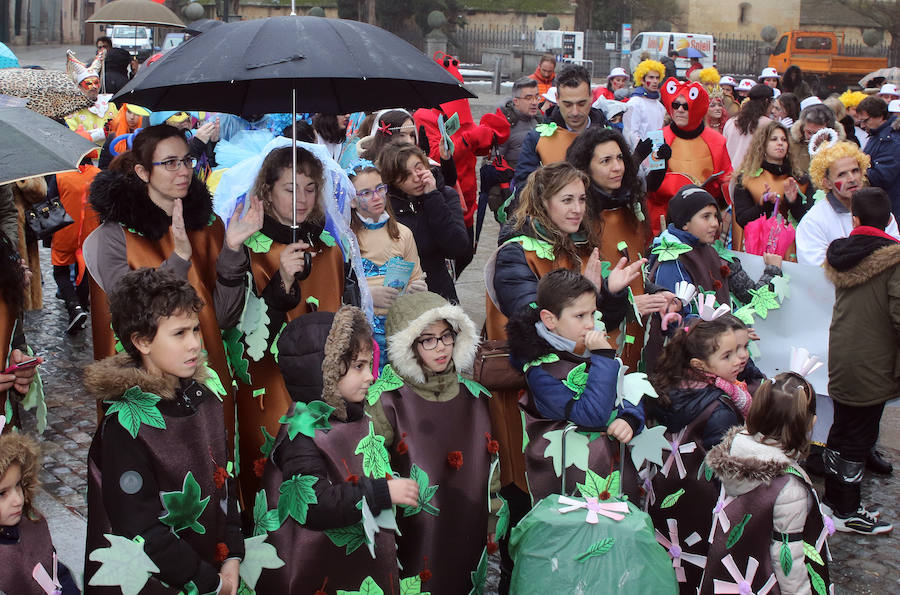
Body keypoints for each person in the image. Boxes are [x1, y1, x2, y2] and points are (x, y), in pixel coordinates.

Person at [485, 162, 644, 536]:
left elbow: (592, 320)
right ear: (543, 202)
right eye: (567, 200)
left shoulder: (577, 246)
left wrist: (609, 294)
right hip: (533, 395)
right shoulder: (516, 253)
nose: (577, 209)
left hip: (583, 389)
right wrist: (590, 298)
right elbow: (532, 324)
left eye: (582, 200)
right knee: (529, 487)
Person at [83, 268, 244, 594]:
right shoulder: (125, 426)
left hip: (214, 568)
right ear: (142, 341)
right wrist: (208, 582)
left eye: (196, 330)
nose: (195, 344)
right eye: (179, 333)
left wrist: (232, 554)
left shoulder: (205, 398)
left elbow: (224, 482)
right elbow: (139, 526)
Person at [83, 124, 244, 444]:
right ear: (143, 172)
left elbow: (224, 318)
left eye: (186, 160)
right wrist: (180, 258)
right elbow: (132, 315)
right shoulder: (113, 237)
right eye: (169, 163)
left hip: (210, 380)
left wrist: (232, 251)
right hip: (149, 394)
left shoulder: (208, 224)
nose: (183, 171)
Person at [255, 306, 418, 592]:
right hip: (313, 568)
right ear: (325, 372)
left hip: (348, 562)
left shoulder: (349, 414)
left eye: (369, 365)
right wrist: (381, 492)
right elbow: (313, 504)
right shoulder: (301, 434)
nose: (370, 376)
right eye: (359, 367)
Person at [214, 145, 343, 502]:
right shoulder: (251, 248)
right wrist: (282, 281)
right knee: (274, 484)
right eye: (290, 189)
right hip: (269, 389)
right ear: (268, 192)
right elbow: (241, 336)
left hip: (325, 386)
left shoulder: (329, 247)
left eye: (310, 188)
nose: (302, 199)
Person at [367, 291, 492, 592]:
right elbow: (372, 469)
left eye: (446, 336)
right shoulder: (386, 400)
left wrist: (494, 517)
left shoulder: (475, 396)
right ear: (408, 345)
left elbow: (490, 466)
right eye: (428, 340)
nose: (441, 347)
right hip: (412, 533)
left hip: (468, 525)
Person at [506, 269, 645, 501]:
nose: (590, 324)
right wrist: (603, 358)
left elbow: (624, 387)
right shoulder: (541, 371)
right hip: (570, 482)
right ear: (549, 319)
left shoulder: (584, 346)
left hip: (610, 471)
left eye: (593, 313)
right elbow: (592, 415)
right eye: (580, 316)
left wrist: (629, 417)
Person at [702, 373, 833, 592]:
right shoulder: (789, 487)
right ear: (811, 422)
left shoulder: (735, 451)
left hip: (730, 577)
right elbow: (787, 556)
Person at [821, 187, 898, 534]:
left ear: (854, 221)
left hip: (843, 356)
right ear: (890, 220)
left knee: (841, 428)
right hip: (873, 363)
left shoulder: (843, 254)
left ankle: (833, 499)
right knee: (859, 436)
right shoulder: (894, 260)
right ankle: (847, 509)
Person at [566, 126, 659, 368]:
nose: (617, 167)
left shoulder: (631, 209)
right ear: (586, 168)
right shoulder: (575, 220)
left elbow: (635, 272)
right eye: (605, 161)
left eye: (619, 158)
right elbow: (573, 299)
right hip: (595, 349)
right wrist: (628, 305)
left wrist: (657, 294)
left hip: (635, 342)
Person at [649, 185, 783, 316]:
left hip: (720, 330)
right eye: (706, 216)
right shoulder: (672, 259)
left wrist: (772, 270)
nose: (715, 223)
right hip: (701, 331)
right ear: (684, 223)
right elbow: (675, 319)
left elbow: (753, 296)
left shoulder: (718, 255)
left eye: (715, 216)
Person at [346, 161, 427, 363]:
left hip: (398, 329)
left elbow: (416, 277)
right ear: (352, 201)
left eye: (380, 188)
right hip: (361, 333)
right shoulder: (346, 238)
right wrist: (366, 295)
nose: (376, 197)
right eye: (366, 193)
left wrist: (416, 288)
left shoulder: (403, 234)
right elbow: (336, 289)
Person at [378, 144, 468, 302]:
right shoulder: (385, 206)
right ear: (392, 180)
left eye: (419, 168)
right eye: (405, 175)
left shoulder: (445, 195)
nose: (416, 177)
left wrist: (433, 197)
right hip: (399, 295)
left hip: (439, 292)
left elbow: (457, 248)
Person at [645, 78, 733, 236]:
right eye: (675, 105)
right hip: (666, 223)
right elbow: (652, 188)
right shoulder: (658, 138)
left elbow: (726, 180)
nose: (679, 110)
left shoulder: (717, 141)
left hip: (704, 224)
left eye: (685, 106)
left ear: (697, 108)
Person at [649, 316, 751, 450]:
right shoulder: (721, 412)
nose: (737, 361)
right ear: (698, 364)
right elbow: (722, 460)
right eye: (727, 356)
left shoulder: (670, 381)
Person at [0, 426, 80, 594]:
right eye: (2, 494)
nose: (18, 500)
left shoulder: (33, 524)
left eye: (18, 485)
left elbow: (57, 571)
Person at [796, 140, 900, 265]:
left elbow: (895, 255)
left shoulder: (879, 211)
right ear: (827, 183)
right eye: (841, 174)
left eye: (855, 171)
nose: (851, 179)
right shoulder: (813, 222)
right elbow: (815, 269)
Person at [514, 65, 609, 189]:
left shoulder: (609, 135)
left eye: (581, 104)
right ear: (557, 99)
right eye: (568, 104)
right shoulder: (537, 139)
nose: (575, 112)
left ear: (591, 96)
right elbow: (523, 187)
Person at [732, 121, 812, 257]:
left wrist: (794, 202)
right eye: (774, 139)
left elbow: (808, 221)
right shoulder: (746, 179)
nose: (780, 143)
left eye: (784, 140)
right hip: (758, 251)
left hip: (792, 253)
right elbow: (742, 219)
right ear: (762, 145)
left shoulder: (800, 179)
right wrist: (763, 205)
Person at [50, 158, 102, 333]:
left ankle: (75, 307)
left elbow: (50, 201)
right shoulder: (98, 175)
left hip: (64, 232)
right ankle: (81, 308)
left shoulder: (60, 176)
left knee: (60, 272)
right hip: (90, 233)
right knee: (84, 272)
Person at [856, 96, 900, 220]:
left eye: (865, 121)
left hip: (891, 210)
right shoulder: (878, 135)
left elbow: (881, 177)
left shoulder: (891, 140)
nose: (862, 125)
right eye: (861, 122)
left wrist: (861, 168)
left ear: (880, 117)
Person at [723, 84, 773, 189]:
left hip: (729, 178)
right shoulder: (769, 125)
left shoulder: (731, 122)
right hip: (754, 180)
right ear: (767, 101)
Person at [63, 50, 118, 147]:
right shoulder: (72, 110)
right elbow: (73, 138)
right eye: (88, 83)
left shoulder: (110, 105)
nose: (94, 87)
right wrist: (101, 133)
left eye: (96, 82)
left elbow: (119, 127)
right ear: (79, 87)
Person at [498, 77, 542, 169]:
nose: (534, 102)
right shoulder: (504, 125)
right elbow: (493, 164)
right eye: (529, 98)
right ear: (516, 101)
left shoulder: (540, 120)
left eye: (537, 97)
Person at [788, 102, 844, 172]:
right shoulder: (789, 146)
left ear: (830, 131)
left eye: (818, 133)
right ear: (802, 128)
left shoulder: (843, 150)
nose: (813, 138)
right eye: (809, 132)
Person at [623, 60, 666, 150]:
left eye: (657, 78)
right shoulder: (634, 103)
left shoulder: (660, 106)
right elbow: (630, 133)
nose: (655, 81)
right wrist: (641, 152)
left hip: (656, 154)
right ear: (642, 80)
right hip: (638, 153)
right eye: (651, 77)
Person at [98, 103, 149, 170]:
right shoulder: (113, 137)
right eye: (129, 112)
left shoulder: (147, 137)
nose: (132, 117)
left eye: (137, 114)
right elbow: (103, 166)